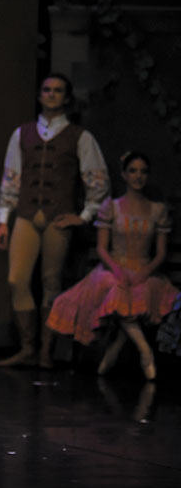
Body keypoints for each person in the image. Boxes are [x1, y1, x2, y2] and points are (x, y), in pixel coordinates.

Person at [0, 73, 108, 369]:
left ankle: (46, 350)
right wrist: (4, 218)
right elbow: (12, 177)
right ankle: (28, 347)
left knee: (51, 281)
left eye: (58, 91)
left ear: (67, 98)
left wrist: (84, 215)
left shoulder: (79, 136)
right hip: (26, 214)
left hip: (58, 217)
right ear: (40, 95)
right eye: (47, 90)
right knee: (17, 279)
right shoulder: (22, 134)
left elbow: (96, 180)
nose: (52, 95)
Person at [46, 152, 177, 379]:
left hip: (143, 270)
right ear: (124, 175)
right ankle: (145, 352)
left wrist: (144, 272)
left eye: (143, 171)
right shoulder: (112, 207)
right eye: (133, 171)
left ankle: (115, 347)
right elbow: (102, 248)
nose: (138, 176)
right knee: (117, 290)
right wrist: (117, 270)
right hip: (113, 268)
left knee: (138, 293)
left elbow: (161, 253)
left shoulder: (157, 210)